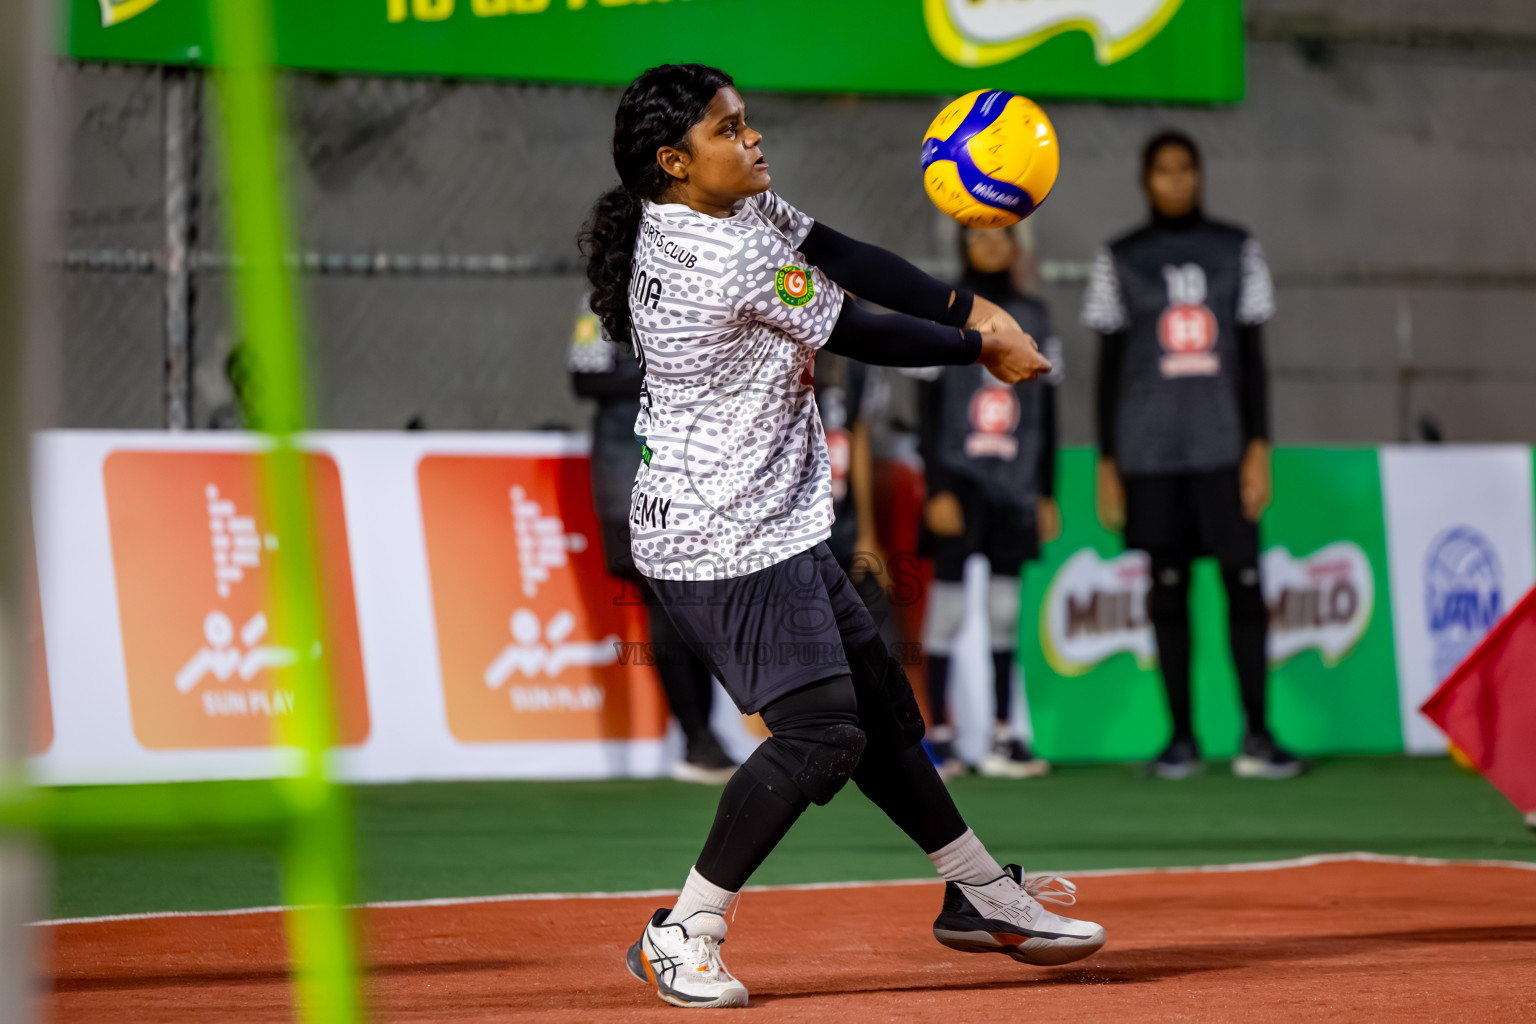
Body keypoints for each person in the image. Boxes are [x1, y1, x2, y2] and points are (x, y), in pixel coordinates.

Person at [579, 64, 1104, 1009]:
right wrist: (981, 345)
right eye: (729, 130)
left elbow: (843, 252)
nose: (754, 139)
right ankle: (683, 929)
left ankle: (982, 896)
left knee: (883, 717)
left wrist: (964, 306)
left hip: (769, 519)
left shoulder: (742, 212)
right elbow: (854, 323)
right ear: (674, 163)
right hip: (718, 535)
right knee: (824, 732)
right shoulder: (717, 255)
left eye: (748, 121)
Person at [1082, 129, 1301, 781]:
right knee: (1167, 592)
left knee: (1244, 589)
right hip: (1151, 454)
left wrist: (1258, 447)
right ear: (1145, 180)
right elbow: (1107, 370)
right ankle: (1180, 739)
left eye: (1186, 169)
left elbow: (1255, 360)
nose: (1176, 180)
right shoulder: (1118, 256)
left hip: (1223, 447)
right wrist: (1107, 462)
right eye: (1163, 170)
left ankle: (1259, 735)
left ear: (1199, 175)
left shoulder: (1238, 248)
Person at [568, 297, 738, 784]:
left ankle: (703, 737)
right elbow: (584, 376)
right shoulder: (601, 296)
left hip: (693, 464)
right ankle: (697, 739)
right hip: (628, 466)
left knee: (692, 601)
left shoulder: (698, 282)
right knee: (665, 598)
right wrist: (669, 372)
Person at [916, 224, 1061, 780]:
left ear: (1017, 245)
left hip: (1016, 483)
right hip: (960, 479)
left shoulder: (1037, 316)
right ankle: (940, 739)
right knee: (948, 610)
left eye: (1001, 236)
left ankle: (1003, 734)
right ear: (962, 244)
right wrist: (939, 488)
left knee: (1004, 610)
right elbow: (926, 403)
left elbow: (1049, 406)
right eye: (978, 236)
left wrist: (1045, 489)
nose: (991, 246)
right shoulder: (943, 306)